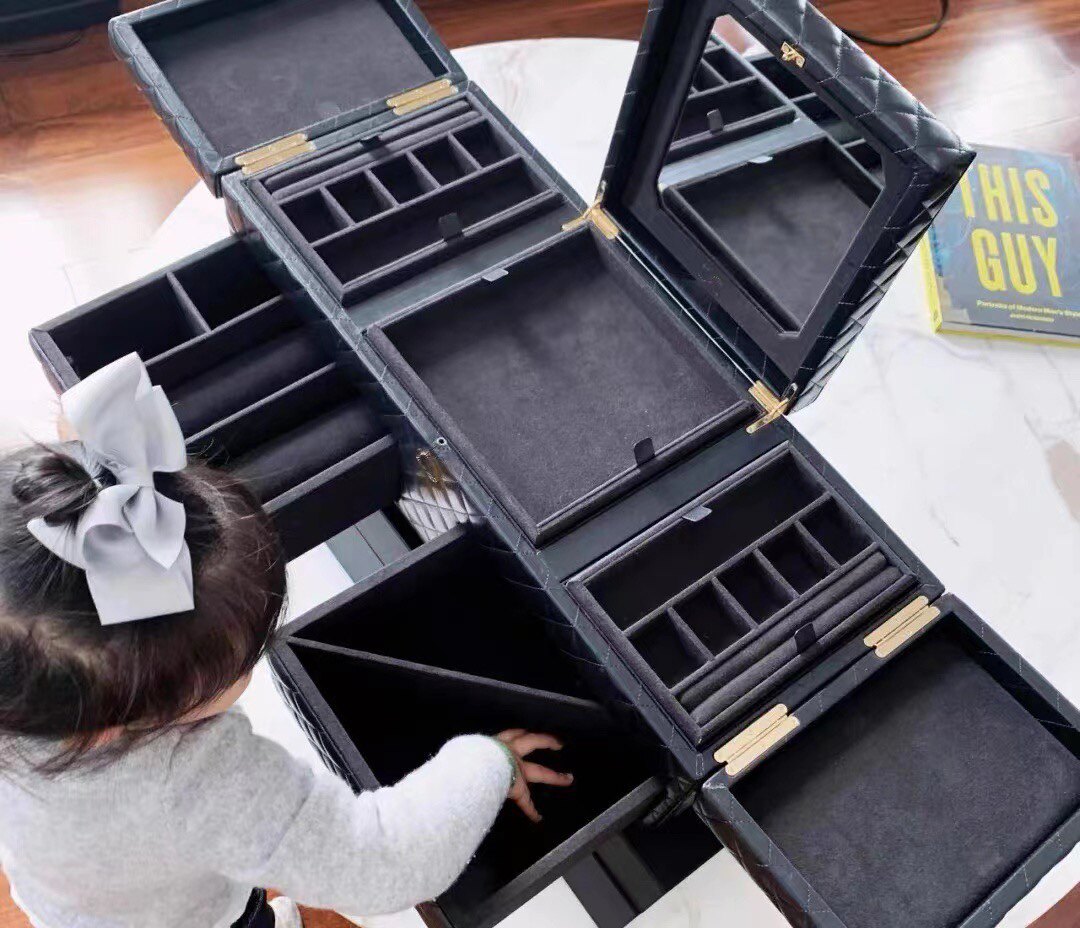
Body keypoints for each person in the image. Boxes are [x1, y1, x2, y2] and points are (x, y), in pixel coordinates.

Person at [0, 353, 572, 928]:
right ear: (110, 725)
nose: (251, 669)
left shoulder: (24, 688)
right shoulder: (198, 781)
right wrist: (486, 761)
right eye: (237, 664)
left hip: (71, 902)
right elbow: (385, 863)